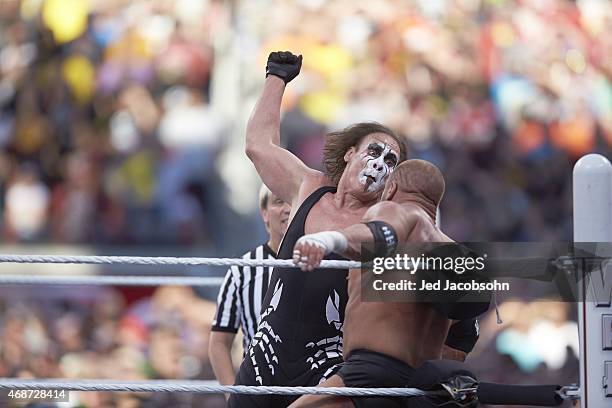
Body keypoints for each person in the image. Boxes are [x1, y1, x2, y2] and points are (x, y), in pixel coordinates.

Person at [228, 51, 408, 408]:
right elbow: (258, 146)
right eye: (374, 150)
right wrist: (276, 78)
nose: (379, 163)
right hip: (263, 365)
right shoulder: (309, 187)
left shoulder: (385, 220)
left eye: (391, 160)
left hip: (324, 372)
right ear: (349, 153)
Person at [291, 159, 489, 407]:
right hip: (417, 391)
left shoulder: (400, 210)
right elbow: (462, 338)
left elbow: (380, 234)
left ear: (392, 188)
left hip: (368, 376)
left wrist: (330, 239)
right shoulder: (454, 256)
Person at [209, 185, 290, 389]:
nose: (288, 209)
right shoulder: (243, 269)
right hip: (257, 388)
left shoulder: (328, 263)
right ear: (264, 213)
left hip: (312, 389)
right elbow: (219, 342)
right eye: (279, 201)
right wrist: (233, 398)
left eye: (294, 201)